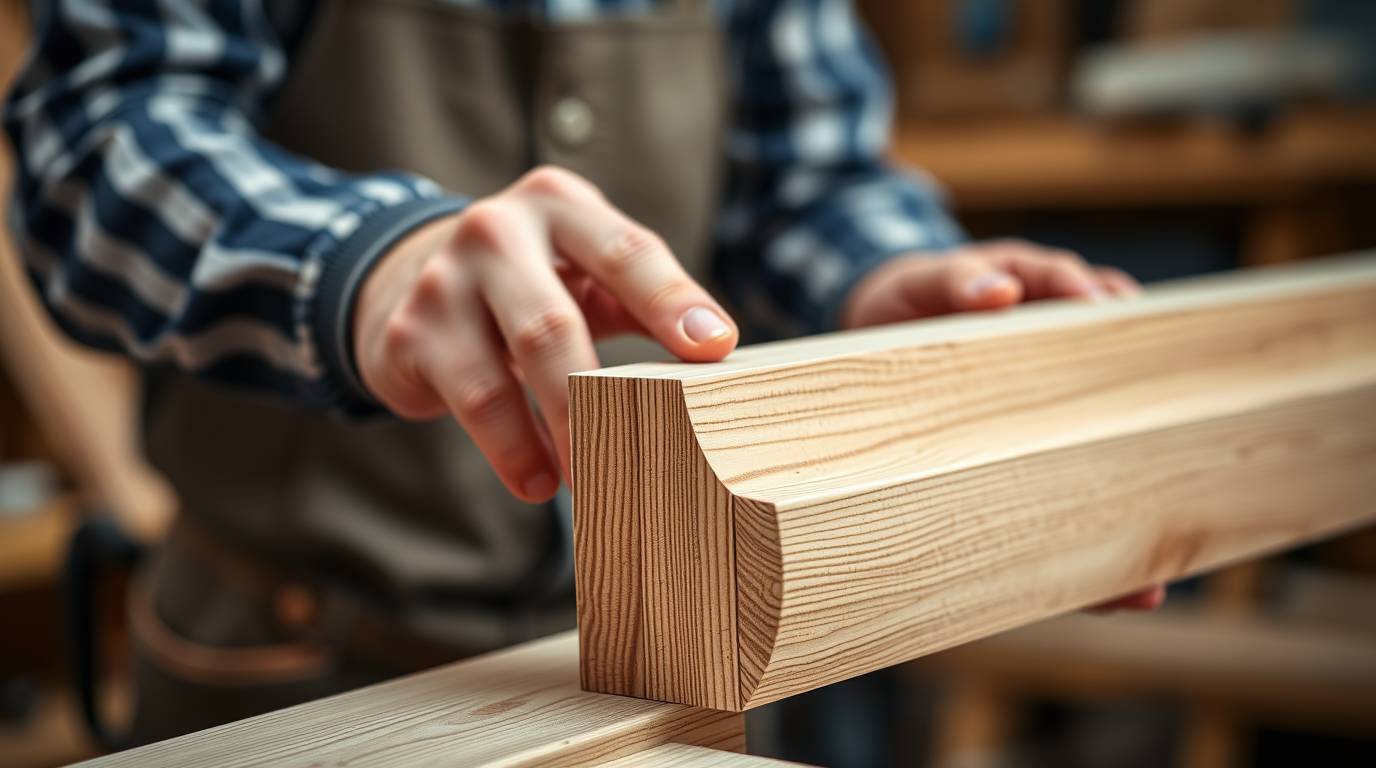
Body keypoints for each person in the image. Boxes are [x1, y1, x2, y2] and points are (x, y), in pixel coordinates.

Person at [4, 0, 1162, 747]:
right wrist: (366, 265)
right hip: (299, 667)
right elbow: (91, 147)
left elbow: (803, 174)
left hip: (684, 677)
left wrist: (885, 278)